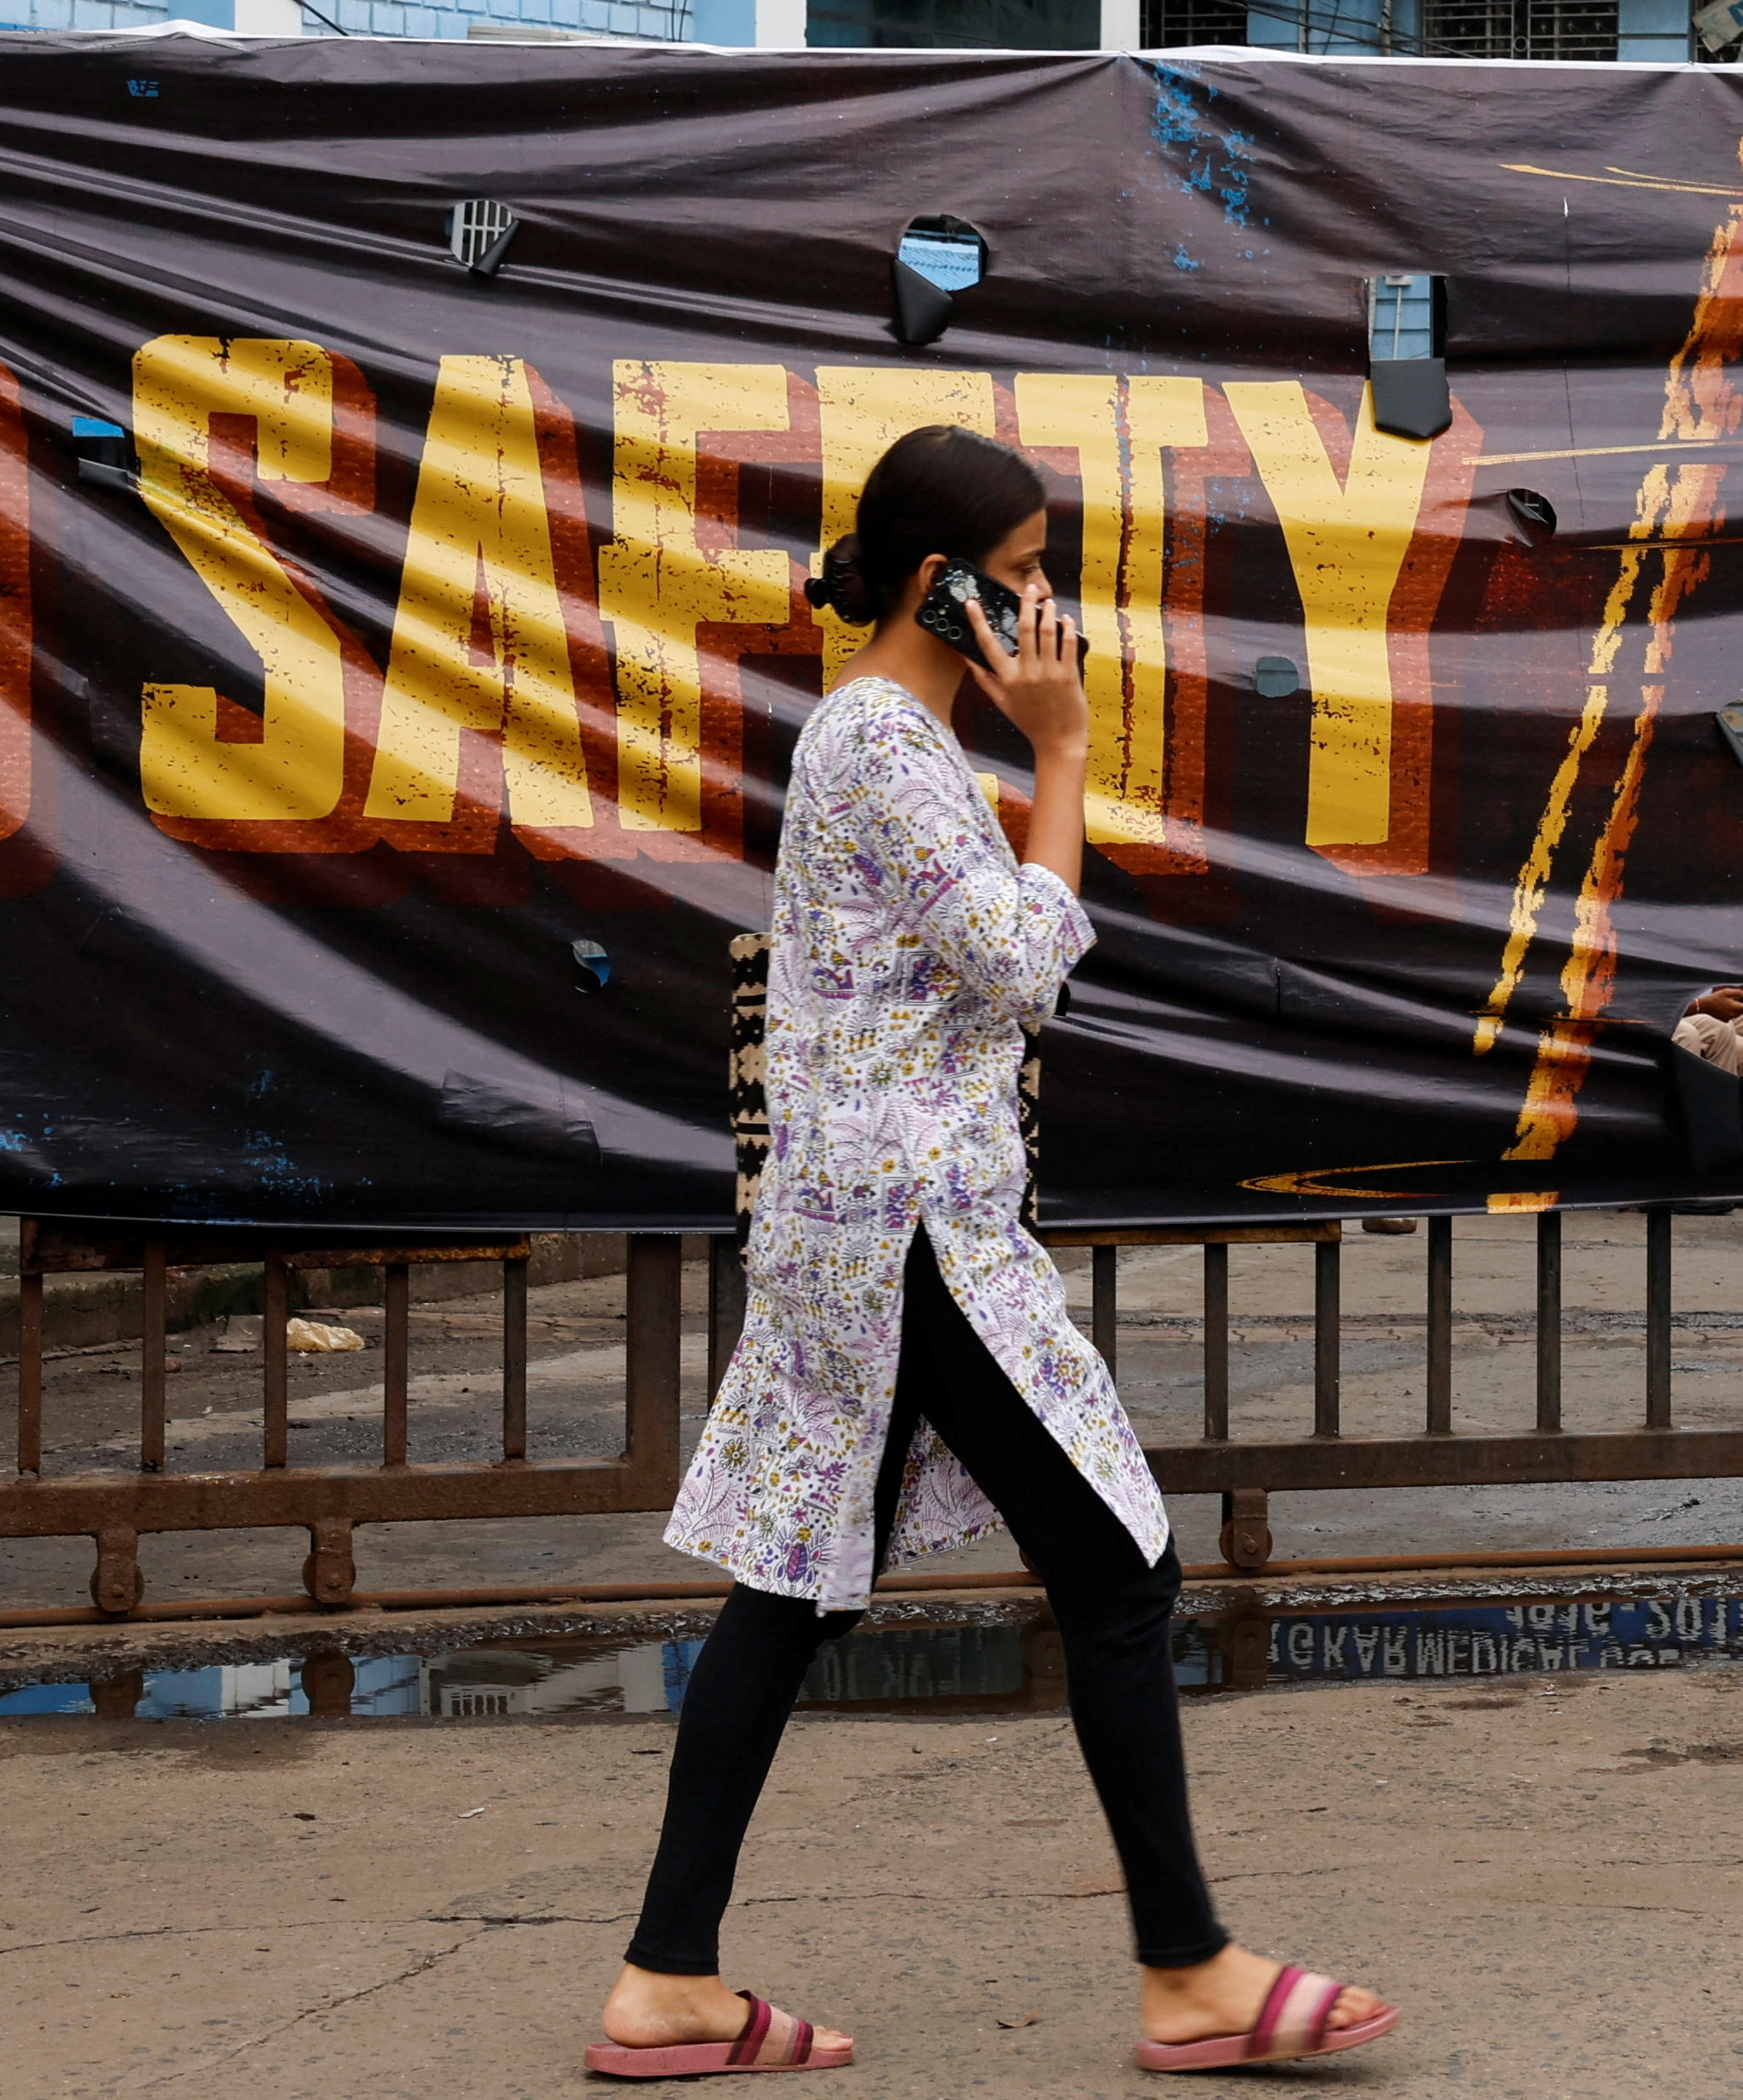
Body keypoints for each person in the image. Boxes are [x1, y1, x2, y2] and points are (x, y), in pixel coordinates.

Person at [590, 423, 1399, 2082]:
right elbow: (1026, 961)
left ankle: (668, 1979)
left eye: (1044, 576)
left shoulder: (878, 740)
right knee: (1117, 1571)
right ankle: (1185, 1973)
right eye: (1019, 577)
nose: (1046, 610)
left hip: (872, 1223)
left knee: (796, 1592)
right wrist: (1068, 754)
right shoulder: (888, 748)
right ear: (929, 583)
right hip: (910, 1233)